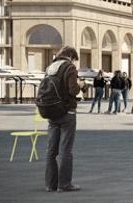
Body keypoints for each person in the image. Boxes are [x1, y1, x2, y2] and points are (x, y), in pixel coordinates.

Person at [43, 46, 82, 193]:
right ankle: (64, 184)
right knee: (66, 149)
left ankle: (50, 184)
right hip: (67, 112)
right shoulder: (69, 68)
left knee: (51, 150)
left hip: (52, 111)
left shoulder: (50, 68)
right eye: (75, 60)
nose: (75, 63)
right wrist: (81, 86)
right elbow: (73, 90)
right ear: (71, 56)